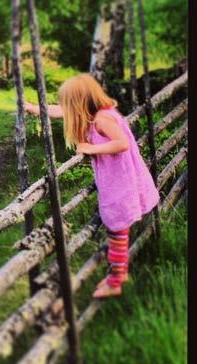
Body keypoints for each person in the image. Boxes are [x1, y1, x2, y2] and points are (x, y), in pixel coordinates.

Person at [24, 74, 159, 299]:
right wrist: (33, 108)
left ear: (79, 102)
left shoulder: (102, 120)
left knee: (116, 228)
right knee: (116, 227)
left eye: (68, 103)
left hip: (120, 181)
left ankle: (116, 279)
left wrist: (90, 148)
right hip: (118, 179)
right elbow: (59, 111)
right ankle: (119, 272)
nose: (66, 108)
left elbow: (122, 144)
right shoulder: (95, 113)